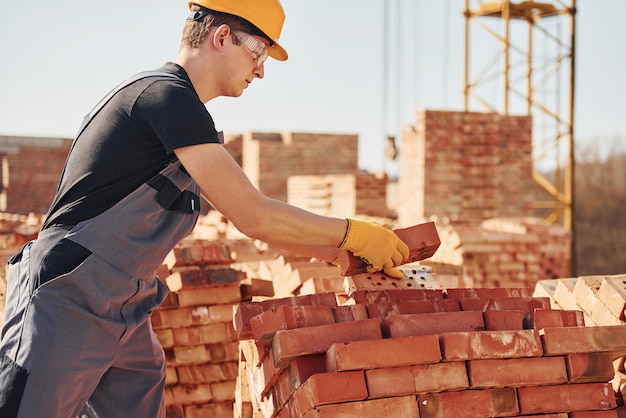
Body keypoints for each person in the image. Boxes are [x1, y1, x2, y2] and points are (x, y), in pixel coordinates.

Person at [0, 1, 409, 417]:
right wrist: (353, 234)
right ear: (222, 37)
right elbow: (253, 215)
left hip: (125, 305)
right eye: (259, 53)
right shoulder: (164, 97)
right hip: (66, 296)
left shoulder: (188, 118)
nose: (262, 70)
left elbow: (248, 213)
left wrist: (338, 253)